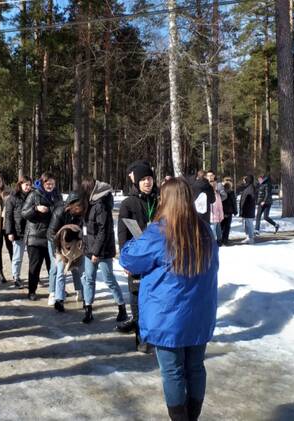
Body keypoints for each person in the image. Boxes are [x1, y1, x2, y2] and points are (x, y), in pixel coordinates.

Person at [119, 177, 218, 421]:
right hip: (200, 314)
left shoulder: (159, 232)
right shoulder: (204, 230)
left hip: (168, 317)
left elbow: (129, 258)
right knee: (195, 368)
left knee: (173, 372)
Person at [116, 160, 158, 353]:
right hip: (137, 257)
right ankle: (141, 339)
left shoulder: (159, 200)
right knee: (137, 298)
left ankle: (155, 336)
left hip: (157, 257)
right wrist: (125, 260)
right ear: (137, 182)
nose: (147, 182)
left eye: (149, 178)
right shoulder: (128, 203)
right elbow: (123, 234)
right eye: (143, 180)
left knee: (154, 298)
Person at [79, 176, 127, 324]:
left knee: (109, 279)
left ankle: (122, 307)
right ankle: (88, 309)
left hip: (102, 251)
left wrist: (96, 253)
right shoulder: (89, 203)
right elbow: (86, 228)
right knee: (89, 279)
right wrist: (84, 243)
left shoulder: (101, 206)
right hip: (89, 249)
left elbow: (103, 232)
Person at [21, 172, 57, 301]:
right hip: (35, 237)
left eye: (52, 184)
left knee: (53, 266)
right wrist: (36, 208)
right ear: (42, 183)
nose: (50, 186)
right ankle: (32, 291)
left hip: (51, 237)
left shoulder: (56, 196)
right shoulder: (34, 195)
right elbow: (24, 213)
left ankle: (55, 289)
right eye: (48, 184)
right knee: (34, 266)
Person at [47, 191, 84, 312]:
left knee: (77, 267)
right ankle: (58, 299)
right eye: (78, 206)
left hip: (72, 243)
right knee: (60, 270)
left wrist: (78, 243)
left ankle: (80, 292)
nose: (80, 209)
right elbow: (51, 233)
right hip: (56, 242)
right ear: (71, 205)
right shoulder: (59, 212)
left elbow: (80, 231)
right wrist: (57, 252)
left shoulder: (80, 214)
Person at [4, 175, 32, 288]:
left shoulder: (33, 196)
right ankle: (16, 276)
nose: (28, 187)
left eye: (30, 185)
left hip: (31, 232)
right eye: (26, 185)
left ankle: (34, 277)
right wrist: (9, 231)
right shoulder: (12, 198)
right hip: (18, 231)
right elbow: (8, 216)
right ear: (20, 184)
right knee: (17, 257)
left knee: (33, 258)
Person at [239, 175, 257, 244]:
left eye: (245, 179)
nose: (243, 181)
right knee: (246, 224)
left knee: (249, 224)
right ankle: (248, 237)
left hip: (248, 209)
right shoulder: (247, 187)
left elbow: (252, 199)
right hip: (245, 209)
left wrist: (247, 207)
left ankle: (251, 238)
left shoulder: (251, 188)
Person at [220, 180, 237, 245]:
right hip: (229, 211)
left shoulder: (222, 193)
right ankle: (225, 239)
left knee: (222, 226)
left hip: (223, 211)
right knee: (227, 226)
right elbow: (234, 202)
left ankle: (222, 239)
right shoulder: (231, 193)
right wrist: (235, 211)